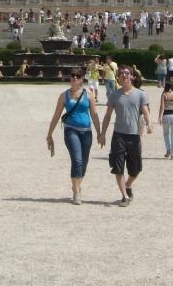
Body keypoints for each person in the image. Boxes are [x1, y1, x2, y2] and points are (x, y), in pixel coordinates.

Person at [46, 68, 103, 204]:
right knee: (77, 160)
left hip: (86, 131)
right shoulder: (64, 96)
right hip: (71, 130)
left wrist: (100, 133)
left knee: (84, 161)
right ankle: (76, 192)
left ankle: (76, 185)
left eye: (78, 76)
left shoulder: (88, 95)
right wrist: (49, 134)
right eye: (73, 76)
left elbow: (94, 115)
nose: (75, 78)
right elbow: (57, 115)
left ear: (82, 79)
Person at [99, 66, 151, 206]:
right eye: (121, 73)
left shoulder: (140, 94)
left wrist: (149, 124)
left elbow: (145, 111)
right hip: (119, 135)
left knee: (136, 169)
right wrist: (102, 134)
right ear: (118, 77)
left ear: (132, 76)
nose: (124, 75)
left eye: (127, 73)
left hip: (134, 135)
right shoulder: (114, 95)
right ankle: (124, 196)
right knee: (118, 167)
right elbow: (108, 116)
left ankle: (128, 185)